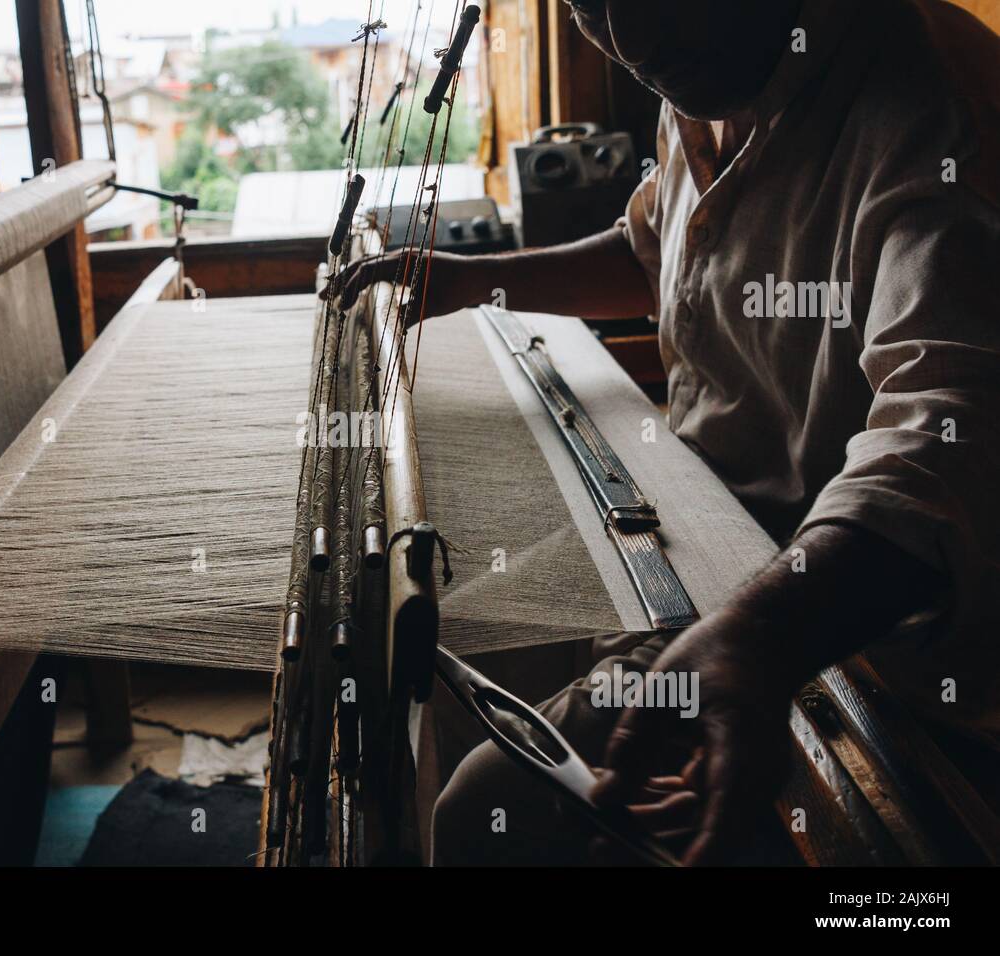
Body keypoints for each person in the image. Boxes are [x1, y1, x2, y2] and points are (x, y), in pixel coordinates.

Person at [330, 0, 1000, 864]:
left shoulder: (935, 108)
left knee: (484, 816)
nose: (625, 37)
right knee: (432, 674)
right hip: (690, 546)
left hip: (846, 629)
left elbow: (955, 429)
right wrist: (461, 282)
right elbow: (657, 253)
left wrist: (761, 641)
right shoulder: (707, 63)